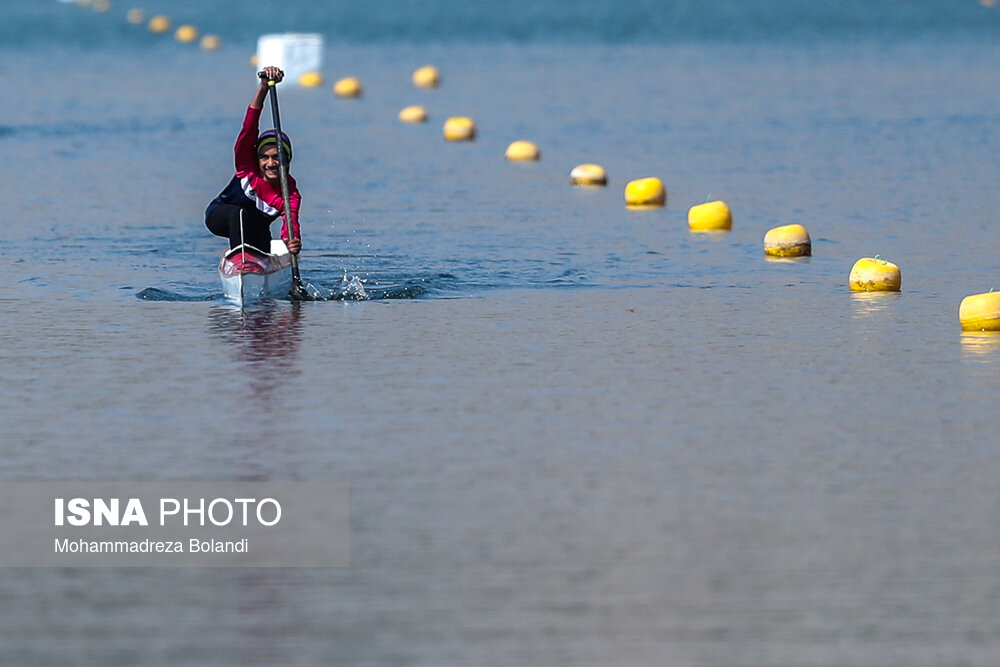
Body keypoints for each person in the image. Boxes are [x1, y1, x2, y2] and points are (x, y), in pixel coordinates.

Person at [205, 66, 302, 256]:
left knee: (259, 234)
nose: (270, 163)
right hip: (220, 216)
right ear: (257, 160)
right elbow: (250, 126)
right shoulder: (246, 167)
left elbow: (291, 227)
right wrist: (264, 87)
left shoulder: (289, 194)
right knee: (239, 214)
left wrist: (293, 243)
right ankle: (239, 259)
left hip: (256, 230)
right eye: (264, 157)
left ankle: (254, 263)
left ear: (288, 161)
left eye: (277, 158)